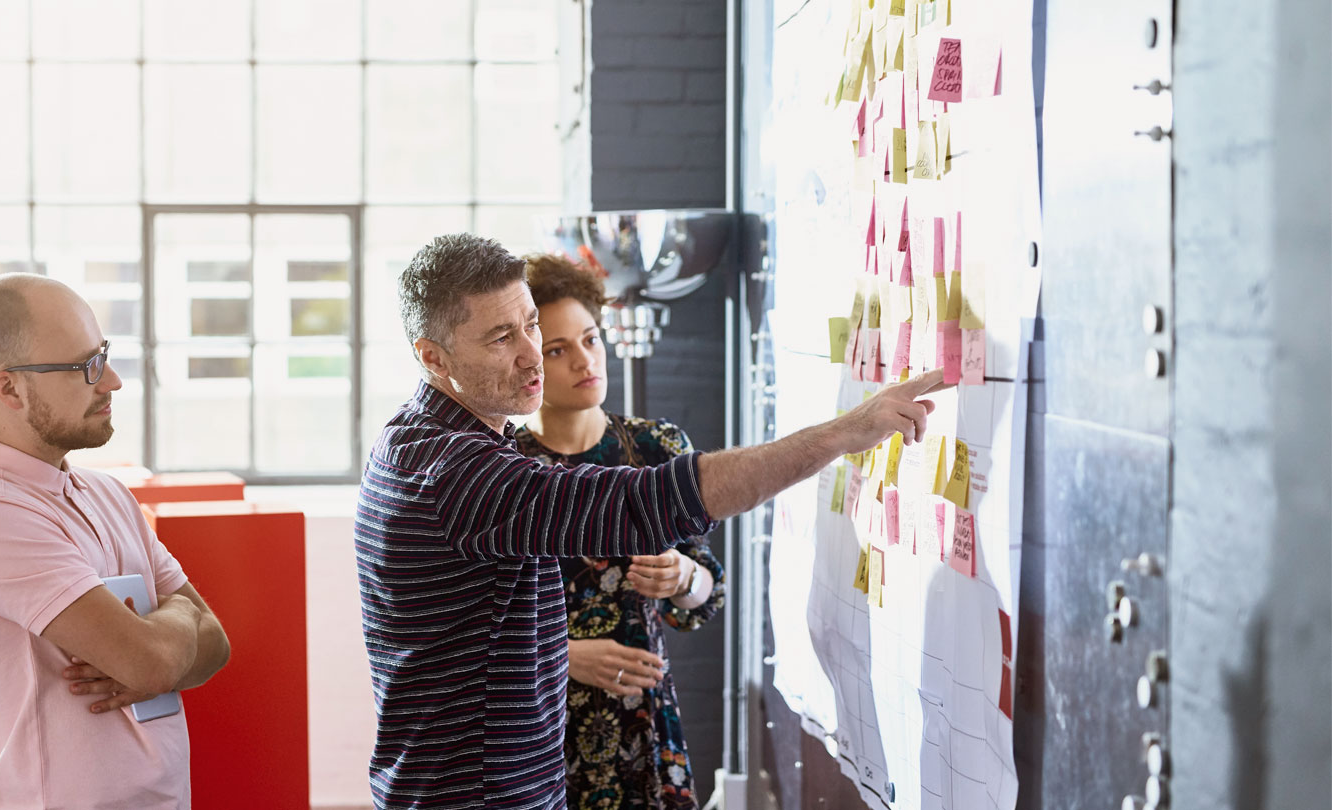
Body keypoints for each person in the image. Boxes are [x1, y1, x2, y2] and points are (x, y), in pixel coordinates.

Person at [356, 233, 947, 810]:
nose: (533, 354)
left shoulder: (437, 442)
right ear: (432, 356)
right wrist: (844, 432)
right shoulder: (454, 470)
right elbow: (651, 501)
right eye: (501, 337)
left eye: (532, 325)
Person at [0, 274, 230, 810]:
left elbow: (217, 647)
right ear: (9, 389)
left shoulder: (108, 495)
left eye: (104, 355)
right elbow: (151, 663)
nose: (111, 380)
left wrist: (163, 642)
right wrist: (178, 622)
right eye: (84, 367)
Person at [514, 253, 722, 809]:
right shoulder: (504, 467)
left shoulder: (657, 449)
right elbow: (474, 627)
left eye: (590, 339)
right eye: (558, 350)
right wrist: (566, 655)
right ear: (528, 360)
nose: (585, 360)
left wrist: (683, 576)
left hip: (643, 724)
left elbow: (705, 597)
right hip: (536, 728)